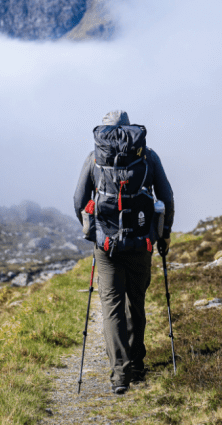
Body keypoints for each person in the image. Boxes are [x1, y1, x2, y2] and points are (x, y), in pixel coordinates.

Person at [73, 109, 174, 394]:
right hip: (141, 243)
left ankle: (120, 374)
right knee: (136, 303)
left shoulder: (95, 157)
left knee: (112, 307)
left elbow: (79, 199)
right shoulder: (148, 156)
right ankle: (138, 364)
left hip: (106, 247)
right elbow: (166, 197)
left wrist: (94, 233)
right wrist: (163, 235)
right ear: (130, 129)